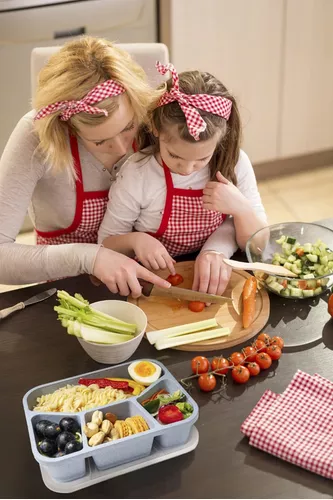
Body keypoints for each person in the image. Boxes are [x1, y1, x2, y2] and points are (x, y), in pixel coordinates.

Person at [0, 36, 172, 297]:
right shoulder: (36, 134)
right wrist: (89, 258)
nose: (123, 149)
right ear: (66, 126)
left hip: (149, 282)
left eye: (128, 128)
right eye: (99, 141)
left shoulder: (152, 115)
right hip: (67, 288)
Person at [99, 62, 268, 296]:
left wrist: (241, 210)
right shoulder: (137, 173)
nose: (187, 169)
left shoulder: (235, 163)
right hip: (154, 282)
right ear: (156, 130)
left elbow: (259, 246)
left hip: (215, 275)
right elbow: (104, 245)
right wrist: (136, 241)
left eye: (202, 159)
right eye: (175, 156)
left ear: (221, 140)